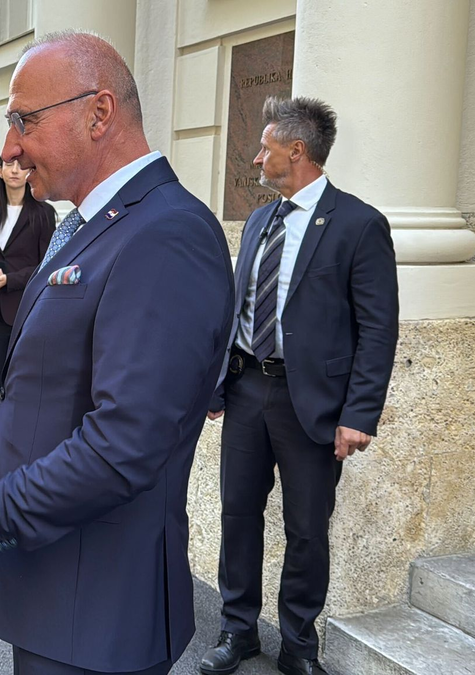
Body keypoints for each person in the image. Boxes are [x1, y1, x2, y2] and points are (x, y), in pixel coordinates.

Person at [0, 32, 234, 675]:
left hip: (99, 614)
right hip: (61, 602)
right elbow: (46, 403)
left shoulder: (164, 235)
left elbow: (123, 445)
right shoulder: (92, 224)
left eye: (24, 120)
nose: (11, 148)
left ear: (99, 113)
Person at [198, 98, 398, 675]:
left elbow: (378, 329)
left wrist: (359, 414)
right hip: (246, 391)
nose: (257, 156)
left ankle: (298, 647)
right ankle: (238, 631)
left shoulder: (359, 225)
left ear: (297, 150)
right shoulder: (261, 220)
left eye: (265, 147)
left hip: (310, 404)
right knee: (238, 515)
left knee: (307, 530)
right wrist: (217, 384)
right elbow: (236, 309)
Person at [0, 158, 55, 426]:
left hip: (25, 312)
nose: (15, 170)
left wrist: (11, 279)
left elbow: (48, 264)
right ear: (0, 171)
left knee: (21, 384)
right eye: (8, 164)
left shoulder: (43, 213)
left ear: (30, 171)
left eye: (21, 165)